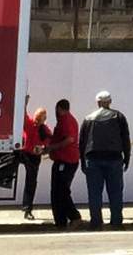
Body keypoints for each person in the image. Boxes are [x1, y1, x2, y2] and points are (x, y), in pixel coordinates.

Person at [79, 90, 130, 230]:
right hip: (114, 159)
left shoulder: (88, 118)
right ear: (110, 102)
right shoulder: (119, 116)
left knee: (94, 193)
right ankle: (116, 221)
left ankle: (95, 222)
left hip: (93, 159)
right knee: (115, 192)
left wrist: (82, 162)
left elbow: (82, 142)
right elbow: (125, 139)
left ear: (97, 102)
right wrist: (127, 158)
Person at [47, 98, 82, 229]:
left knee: (61, 191)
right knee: (57, 191)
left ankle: (74, 217)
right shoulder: (64, 120)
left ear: (59, 109)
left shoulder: (67, 120)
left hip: (66, 161)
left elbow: (69, 139)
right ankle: (60, 222)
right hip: (62, 160)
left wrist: (52, 147)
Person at [19, 98, 50, 220]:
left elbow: (48, 141)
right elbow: (23, 114)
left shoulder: (44, 129)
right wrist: (24, 103)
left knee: (31, 182)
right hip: (24, 153)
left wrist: (43, 148)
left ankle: (27, 209)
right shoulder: (30, 122)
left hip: (33, 157)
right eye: (39, 117)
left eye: (41, 118)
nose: (39, 120)